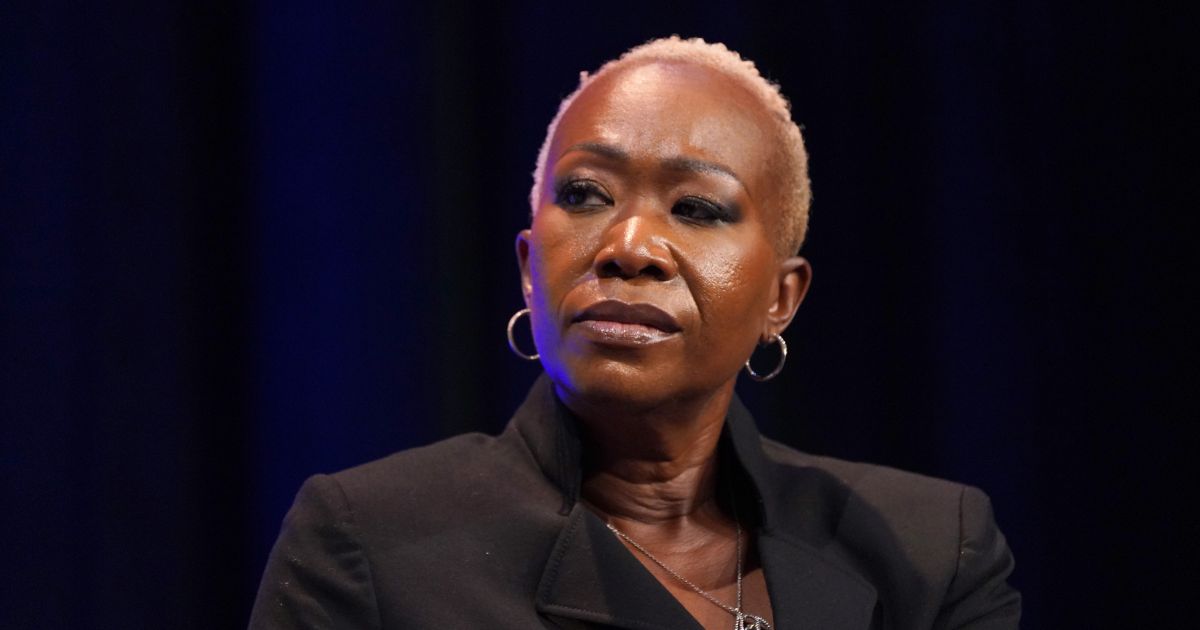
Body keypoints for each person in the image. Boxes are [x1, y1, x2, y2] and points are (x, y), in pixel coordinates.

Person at [248, 36, 1020, 629]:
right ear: (528, 268)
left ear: (781, 299)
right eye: (585, 194)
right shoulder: (374, 544)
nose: (628, 246)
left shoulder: (928, 550)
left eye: (696, 209)